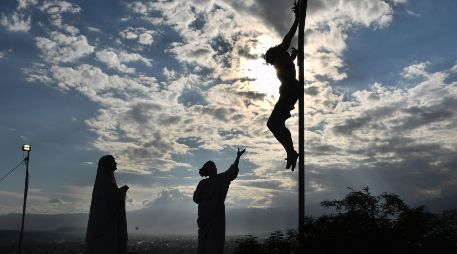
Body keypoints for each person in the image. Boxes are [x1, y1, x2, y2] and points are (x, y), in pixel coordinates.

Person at [264, 1, 300, 171]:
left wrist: (297, 18)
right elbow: (286, 69)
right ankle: (291, 151)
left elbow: (290, 34)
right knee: (275, 124)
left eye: (271, 62)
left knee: (273, 123)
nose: (272, 65)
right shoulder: (281, 59)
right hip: (288, 90)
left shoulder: (280, 49)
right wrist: (292, 58)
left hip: (290, 89)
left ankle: (291, 152)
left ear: (273, 54)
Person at [193, 148, 246, 254]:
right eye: (212, 166)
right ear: (207, 170)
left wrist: (238, 157)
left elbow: (232, 172)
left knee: (215, 241)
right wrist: (206, 202)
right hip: (205, 216)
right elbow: (196, 198)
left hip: (216, 214)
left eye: (214, 166)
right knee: (203, 242)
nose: (214, 167)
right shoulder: (203, 183)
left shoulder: (221, 178)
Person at [86, 155, 129, 254]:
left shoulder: (107, 179)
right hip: (104, 226)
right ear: (107, 164)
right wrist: (122, 191)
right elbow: (109, 201)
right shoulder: (105, 182)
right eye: (113, 161)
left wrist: (119, 192)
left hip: (106, 224)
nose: (115, 163)